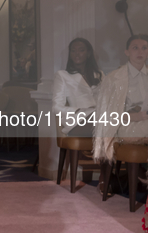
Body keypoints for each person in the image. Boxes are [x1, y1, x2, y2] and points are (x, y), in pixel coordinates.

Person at [92, 34, 148, 207]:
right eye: (135, 48)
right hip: (124, 126)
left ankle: (142, 174)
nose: (140, 51)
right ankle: (143, 175)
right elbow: (108, 114)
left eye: (144, 48)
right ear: (126, 52)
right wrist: (135, 116)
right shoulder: (114, 78)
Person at [52, 37, 103, 137]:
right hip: (78, 120)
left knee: (122, 118)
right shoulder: (62, 75)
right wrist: (78, 110)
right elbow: (56, 107)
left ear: (88, 54)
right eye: (73, 51)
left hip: (100, 116)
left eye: (81, 50)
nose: (77, 54)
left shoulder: (98, 74)